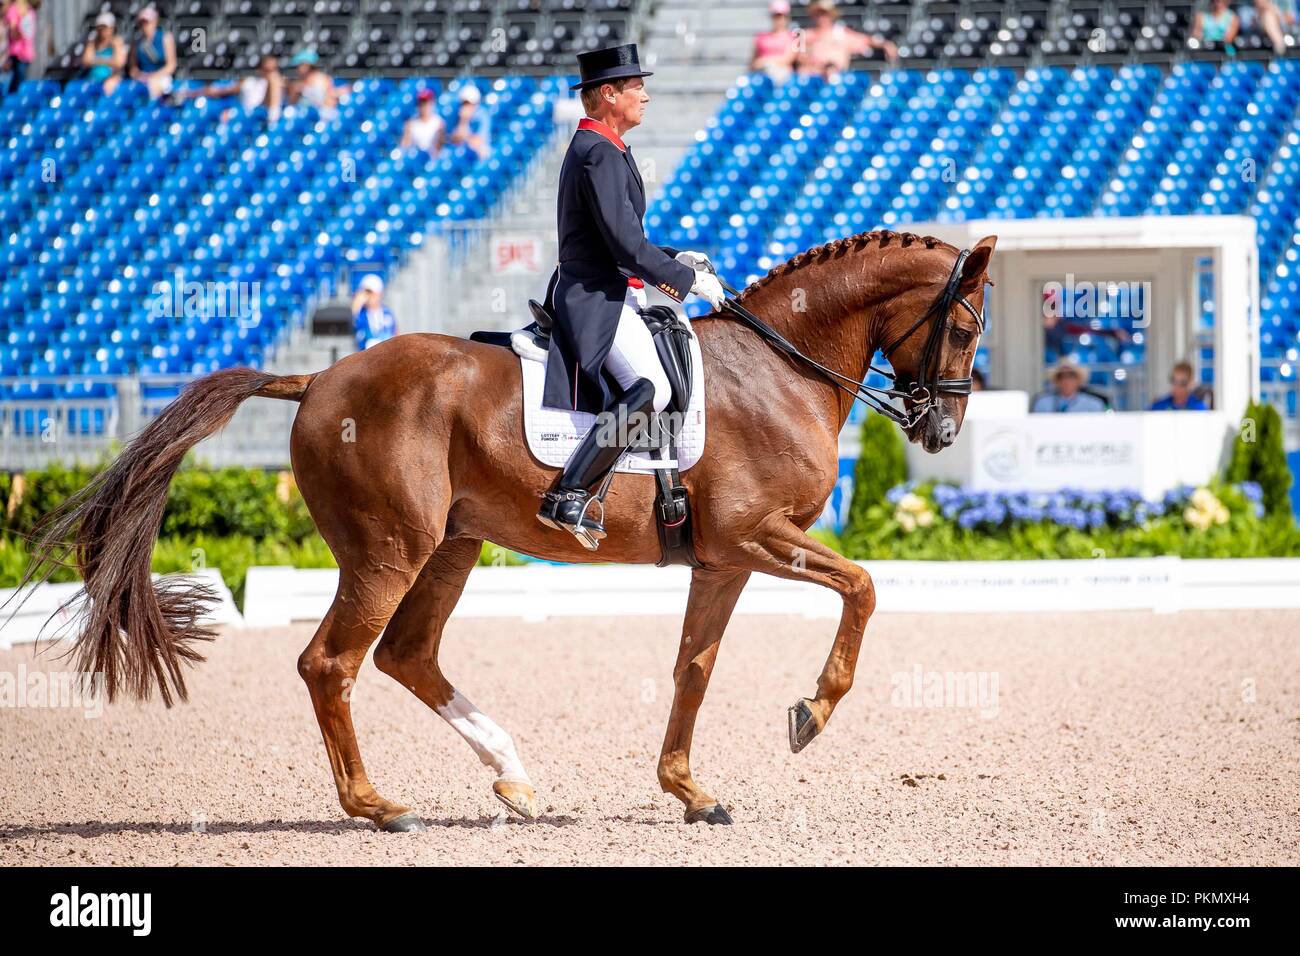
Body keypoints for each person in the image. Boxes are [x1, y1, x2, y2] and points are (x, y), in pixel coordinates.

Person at [535, 43, 724, 545]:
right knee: (653, 388)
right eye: (636, 86)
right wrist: (684, 284)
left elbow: (622, 237)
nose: (646, 94)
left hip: (613, 286)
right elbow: (621, 243)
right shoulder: (597, 151)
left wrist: (674, 257)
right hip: (596, 295)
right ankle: (570, 493)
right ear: (607, 94)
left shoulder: (607, 147)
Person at [171, 53, 284, 125]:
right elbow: (221, 91)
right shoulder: (249, 82)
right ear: (260, 69)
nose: (271, 73)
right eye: (268, 70)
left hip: (263, 114)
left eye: (274, 69)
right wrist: (192, 93)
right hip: (246, 115)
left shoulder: (277, 82)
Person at [796, 0, 897, 78]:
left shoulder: (841, 33)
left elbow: (866, 40)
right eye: (818, 13)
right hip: (812, 76)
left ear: (831, 14)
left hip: (836, 76)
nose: (821, 17)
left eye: (824, 13)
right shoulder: (805, 34)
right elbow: (799, 57)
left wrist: (885, 44)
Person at [129, 6, 176, 100]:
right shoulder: (136, 43)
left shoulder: (165, 38)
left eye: (147, 23)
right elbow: (133, 68)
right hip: (142, 78)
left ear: (154, 22)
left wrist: (154, 76)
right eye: (142, 23)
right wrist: (139, 75)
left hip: (162, 76)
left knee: (154, 87)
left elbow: (171, 65)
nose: (144, 26)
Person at [287, 48, 345, 121]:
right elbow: (292, 104)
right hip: (305, 116)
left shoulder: (323, 79)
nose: (298, 68)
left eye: (300, 65)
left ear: (308, 65)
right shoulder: (297, 84)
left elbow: (330, 101)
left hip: (323, 115)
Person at [1031, 359, 1108, 413]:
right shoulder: (1042, 404)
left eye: (1071, 376)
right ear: (1056, 381)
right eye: (1061, 376)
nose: (1066, 381)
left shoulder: (1094, 405)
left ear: (1079, 380)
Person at [751, 1, 798, 83]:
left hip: (782, 75)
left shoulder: (793, 37)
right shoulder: (761, 37)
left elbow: (787, 59)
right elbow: (754, 61)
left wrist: (764, 61)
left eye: (781, 16)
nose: (779, 20)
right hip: (761, 74)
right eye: (776, 16)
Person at [81, 11, 126, 95]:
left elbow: (119, 63)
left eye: (105, 27)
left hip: (111, 78)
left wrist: (96, 60)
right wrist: (109, 61)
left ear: (112, 28)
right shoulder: (92, 43)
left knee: (108, 87)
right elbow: (86, 61)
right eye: (100, 27)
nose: (102, 30)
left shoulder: (117, 42)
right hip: (92, 78)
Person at [352, 274, 397, 351]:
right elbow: (353, 324)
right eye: (365, 293)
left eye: (370, 293)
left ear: (379, 294)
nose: (368, 296)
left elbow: (395, 332)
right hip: (365, 353)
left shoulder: (387, 313)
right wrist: (357, 304)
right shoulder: (360, 313)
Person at [2, 0, 37, 97]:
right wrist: (19, 32)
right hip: (17, 53)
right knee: (16, 84)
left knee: (21, 83)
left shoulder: (29, 9)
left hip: (27, 53)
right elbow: (13, 32)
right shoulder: (13, 9)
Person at [400, 87, 444, 156]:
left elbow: (440, 146)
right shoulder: (411, 123)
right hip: (415, 158)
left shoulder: (438, 122)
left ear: (432, 103)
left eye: (427, 102)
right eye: (422, 103)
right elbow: (404, 146)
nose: (424, 106)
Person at [448, 84, 489, 159]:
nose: (466, 107)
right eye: (464, 104)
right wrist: (463, 121)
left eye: (469, 104)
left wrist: (465, 136)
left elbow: (478, 142)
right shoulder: (457, 115)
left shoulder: (482, 116)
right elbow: (455, 139)